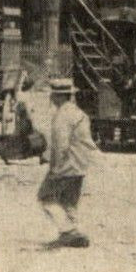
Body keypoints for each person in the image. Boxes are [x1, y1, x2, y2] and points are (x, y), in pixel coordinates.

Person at [38, 78, 97, 248]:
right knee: (69, 201)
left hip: (67, 164)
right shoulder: (78, 112)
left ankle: (70, 232)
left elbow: (60, 144)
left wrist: (54, 167)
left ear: (56, 96)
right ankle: (71, 234)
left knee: (46, 197)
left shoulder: (62, 115)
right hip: (80, 163)